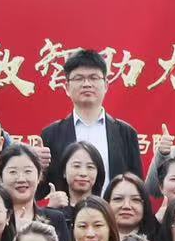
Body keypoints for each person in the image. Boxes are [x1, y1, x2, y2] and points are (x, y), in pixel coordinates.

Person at [39, 49, 144, 193]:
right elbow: (41, 191)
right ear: (67, 87)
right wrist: (38, 167)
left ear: (106, 85)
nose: (87, 84)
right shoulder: (51, 134)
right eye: (79, 78)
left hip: (111, 207)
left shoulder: (126, 133)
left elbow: (137, 186)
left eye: (94, 78)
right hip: (68, 208)